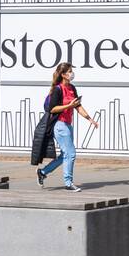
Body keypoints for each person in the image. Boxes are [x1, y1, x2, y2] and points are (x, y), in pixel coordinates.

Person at [36, 62, 96, 192]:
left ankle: (43, 172)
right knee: (71, 154)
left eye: (71, 71)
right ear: (63, 74)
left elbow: (78, 106)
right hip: (59, 125)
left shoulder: (72, 88)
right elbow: (52, 109)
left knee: (65, 155)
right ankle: (68, 183)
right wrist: (68, 106)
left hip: (68, 125)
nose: (71, 73)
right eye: (69, 71)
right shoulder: (58, 89)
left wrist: (89, 119)